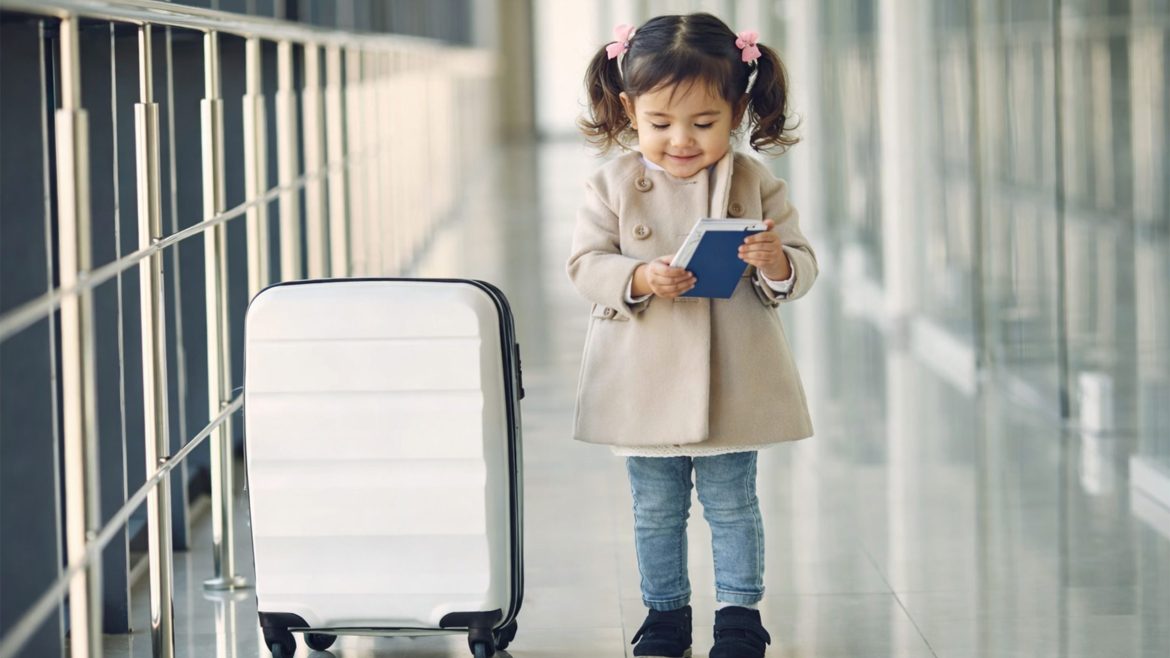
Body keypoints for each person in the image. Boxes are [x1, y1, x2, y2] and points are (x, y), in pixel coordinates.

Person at [565, 12, 817, 658]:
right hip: (643, 374)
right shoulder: (611, 185)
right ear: (628, 109)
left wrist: (775, 262)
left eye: (704, 124)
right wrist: (639, 275)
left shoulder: (756, 183)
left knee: (734, 503)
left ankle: (739, 614)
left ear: (735, 111)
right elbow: (584, 264)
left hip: (733, 375)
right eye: (659, 124)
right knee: (655, 508)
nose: (681, 140)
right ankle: (665, 614)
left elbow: (801, 263)